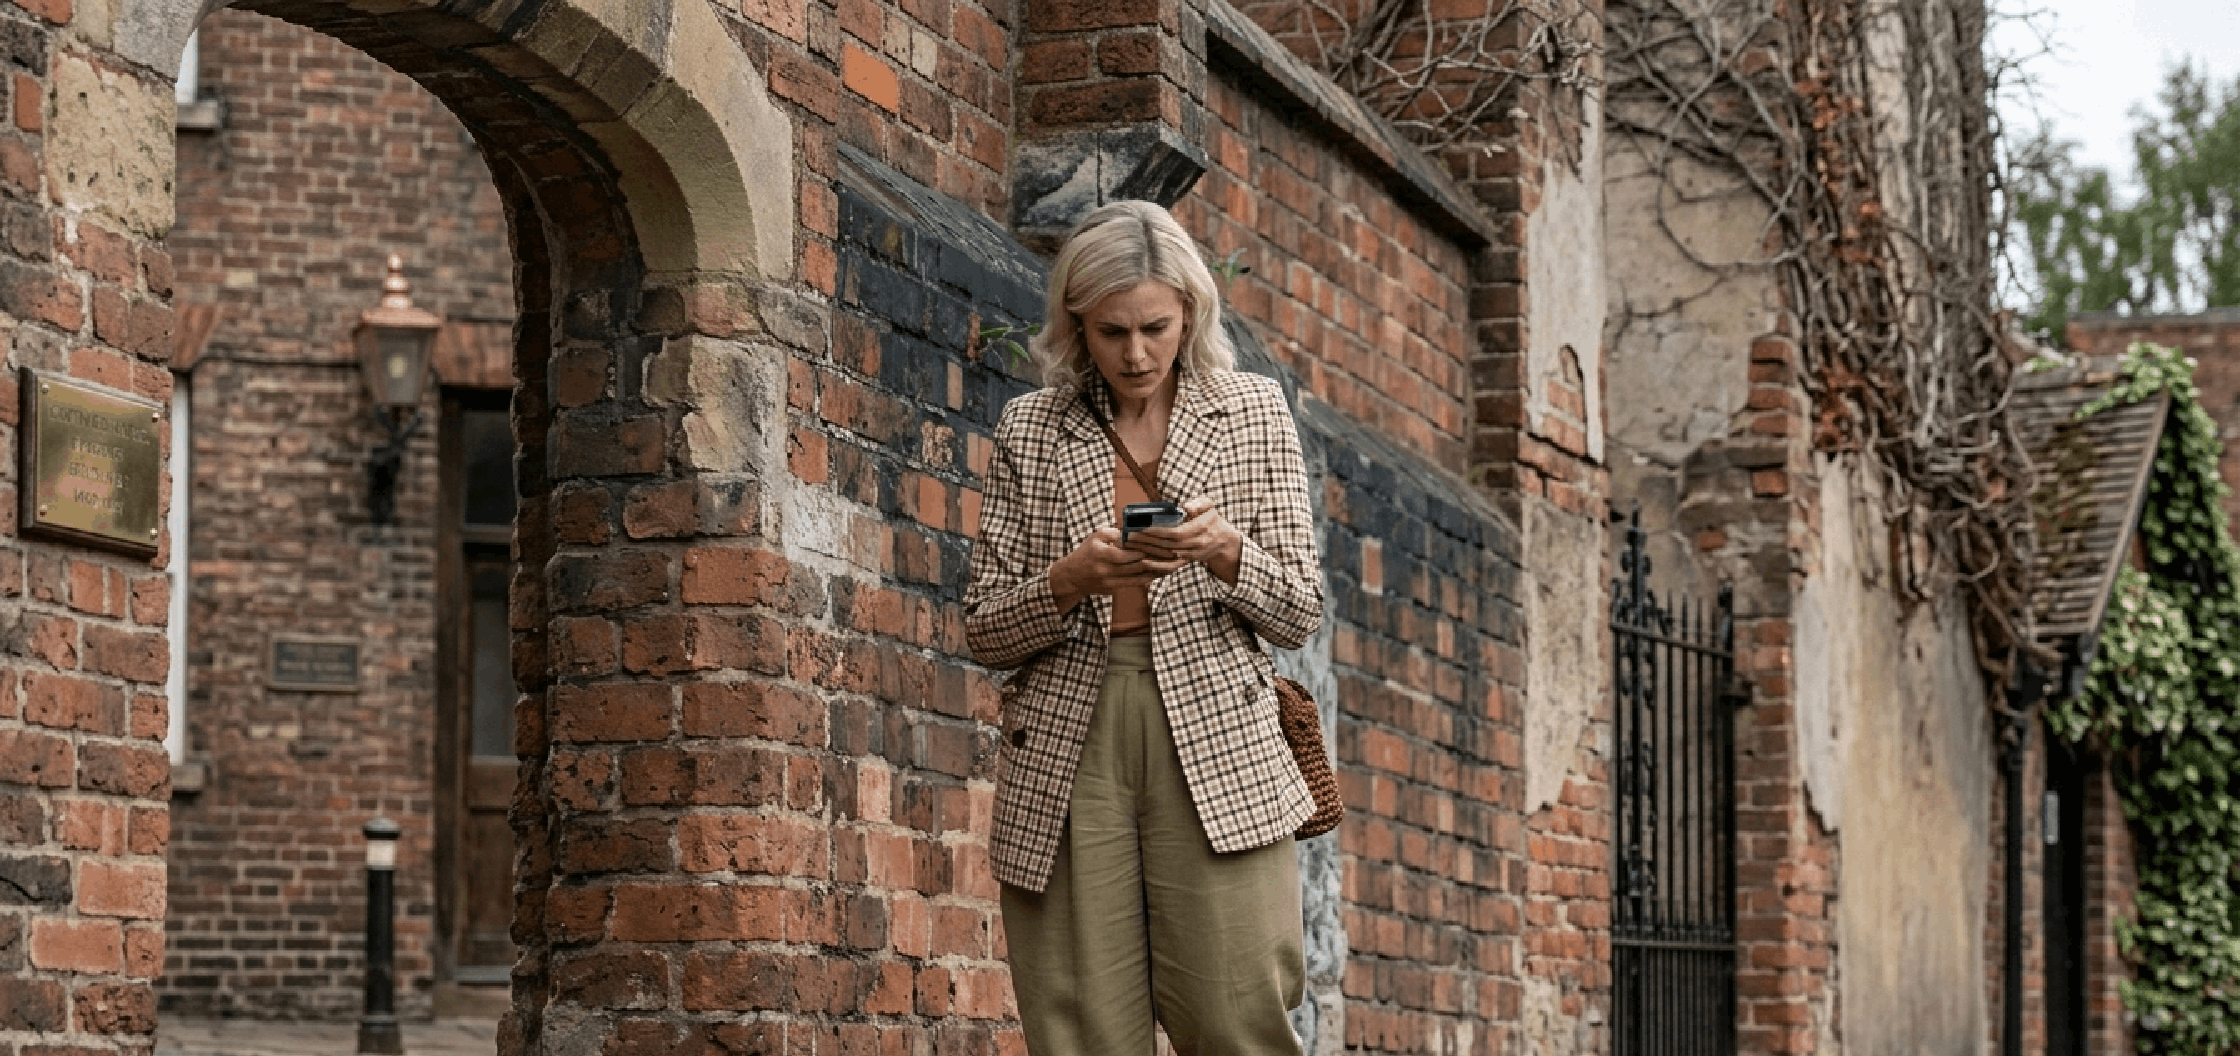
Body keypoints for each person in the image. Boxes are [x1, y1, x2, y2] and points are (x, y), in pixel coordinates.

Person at [963, 199, 1325, 1056]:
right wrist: (1069, 581)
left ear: (1189, 314)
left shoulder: (1251, 411)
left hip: (1220, 734)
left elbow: (1299, 610)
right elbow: (983, 629)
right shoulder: (1033, 428)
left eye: (1155, 328)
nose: (1135, 354)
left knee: (1238, 1015)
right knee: (1082, 1025)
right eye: (1111, 331)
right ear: (1076, 325)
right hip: (1069, 738)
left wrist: (1228, 552)